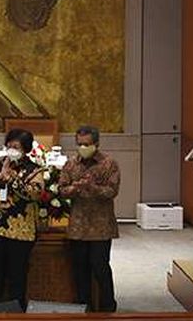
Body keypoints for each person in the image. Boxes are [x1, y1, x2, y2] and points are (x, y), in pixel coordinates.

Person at [0, 128, 47, 311]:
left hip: (20, 232)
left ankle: (16, 313)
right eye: (9, 146)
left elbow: (35, 194)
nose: (11, 150)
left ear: (26, 149)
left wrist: (13, 180)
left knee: (17, 276)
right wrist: (0, 177)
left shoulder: (34, 169)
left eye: (16, 147)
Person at [59, 125, 120, 313]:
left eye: (87, 144)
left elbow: (112, 191)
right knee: (80, 270)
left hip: (101, 227)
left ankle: (108, 307)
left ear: (96, 143)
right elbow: (61, 190)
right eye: (79, 144)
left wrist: (93, 187)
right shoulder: (71, 164)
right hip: (78, 226)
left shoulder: (109, 163)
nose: (83, 147)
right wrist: (75, 188)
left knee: (100, 268)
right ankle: (84, 307)